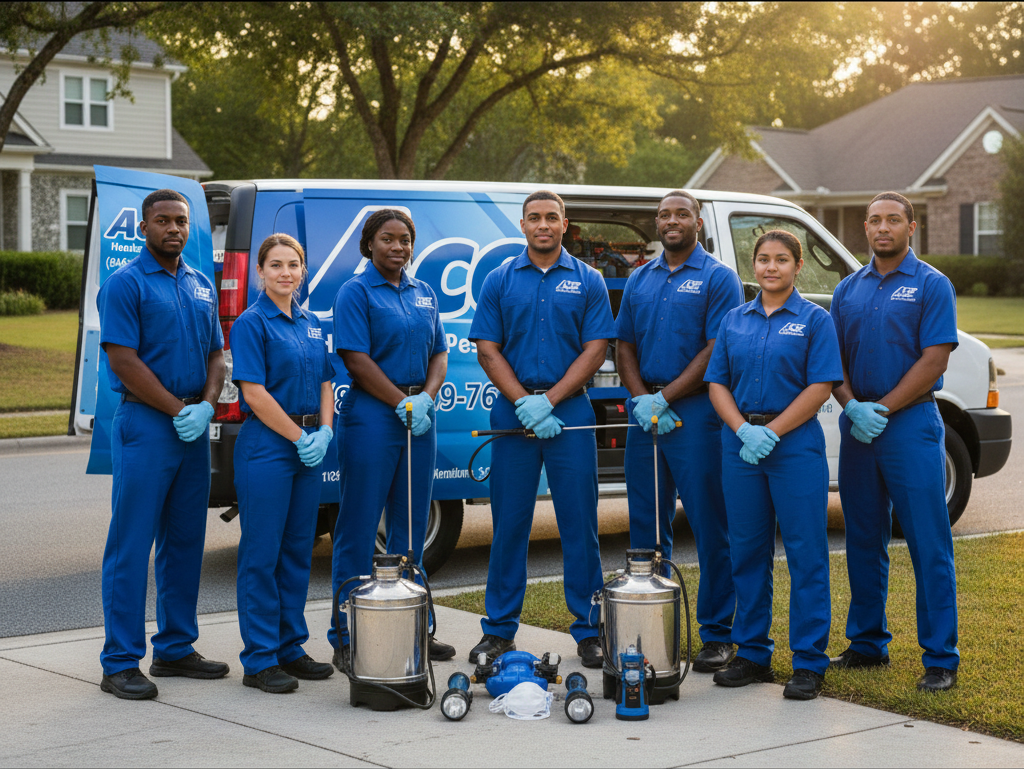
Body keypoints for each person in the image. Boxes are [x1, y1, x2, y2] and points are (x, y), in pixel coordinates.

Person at [468, 190, 615, 668]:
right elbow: (487, 349)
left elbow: (596, 349)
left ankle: (590, 630)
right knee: (510, 523)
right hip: (513, 412)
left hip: (569, 412)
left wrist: (549, 402)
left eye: (552, 217)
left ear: (565, 224)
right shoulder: (499, 279)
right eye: (535, 217)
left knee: (579, 523)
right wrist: (524, 403)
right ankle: (498, 631)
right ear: (523, 225)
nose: (543, 224)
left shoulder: (588, 279)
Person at [96, 189, 228, 699]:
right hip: (147, 423)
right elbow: (123, 360)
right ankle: (119, 662)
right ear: (144, 227)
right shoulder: (125, 284)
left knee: (185, 542)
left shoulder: (200, 283)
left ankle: (174, 648)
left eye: (182, 221)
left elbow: (216, 354)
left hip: (192, 425)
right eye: (164, 220)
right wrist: (178, 411)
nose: (174, 229)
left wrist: (206, 405)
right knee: (131, 544)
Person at [829, 192, 960, 692]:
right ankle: (867, 644)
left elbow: (935, 359)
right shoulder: (848, 289)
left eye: (893, 220)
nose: (882, 227)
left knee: (928, 541)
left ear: (911, 227)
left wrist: (882, 409)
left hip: (911, 424)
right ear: (865, 228)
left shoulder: (931, 284)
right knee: (863, 538)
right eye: (875, 220)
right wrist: (852, 407)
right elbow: (832, 361)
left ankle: (940, 657)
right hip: (857, 426)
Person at [705, 229, 843, 700]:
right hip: (741, 447)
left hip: (794, 446)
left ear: (798, 266)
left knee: (806, 553)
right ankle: (752, 653)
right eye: (763, 259)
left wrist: (773, 431)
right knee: (746, 551)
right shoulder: (734, 320)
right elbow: (717, 383)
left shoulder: (815, 320)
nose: (771, 267)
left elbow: (821, 385)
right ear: (754, 265)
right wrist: (743, 430)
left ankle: (808, 662)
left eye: (781, 259)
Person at [615, 190, 744, 674]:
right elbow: (624, 345)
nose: (672, 220)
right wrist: (641, 400)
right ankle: (654, 627)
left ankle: (717, 633)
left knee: (711, 525)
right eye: (665, 214)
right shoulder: (639, 278)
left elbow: (716, 349)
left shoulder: (718, 277)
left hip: (696, 413)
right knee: (646, 529)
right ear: (657, 222)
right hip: (645, 414)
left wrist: (666, 399)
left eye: (682, 214)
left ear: (698, 223)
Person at [328, 209, 455, 670]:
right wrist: (400, 402)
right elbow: (355, 359)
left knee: (411, 528)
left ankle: (413, 626)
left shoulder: (424, 293)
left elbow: (439, 353)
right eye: (387, 238)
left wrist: (424, 399)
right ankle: (347, 635)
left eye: (405, 239)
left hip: (419, 415)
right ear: (369, 244)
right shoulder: (355, 292)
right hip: (373, 415)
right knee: (359, 527)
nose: (398, 247)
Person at [230, 234, 336, 693]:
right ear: (260, 271)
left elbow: (327, 382)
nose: (285, 272)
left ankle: (291, 647)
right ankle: (259, 659)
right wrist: (299, 437)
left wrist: (325, 432)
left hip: (309, 443)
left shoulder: (311, 322)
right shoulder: (251, 323)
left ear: (303, 270)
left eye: (293, 264)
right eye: (275, 265)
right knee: (262, 555)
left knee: (297, 551)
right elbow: (253, 392)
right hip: (268, 445)